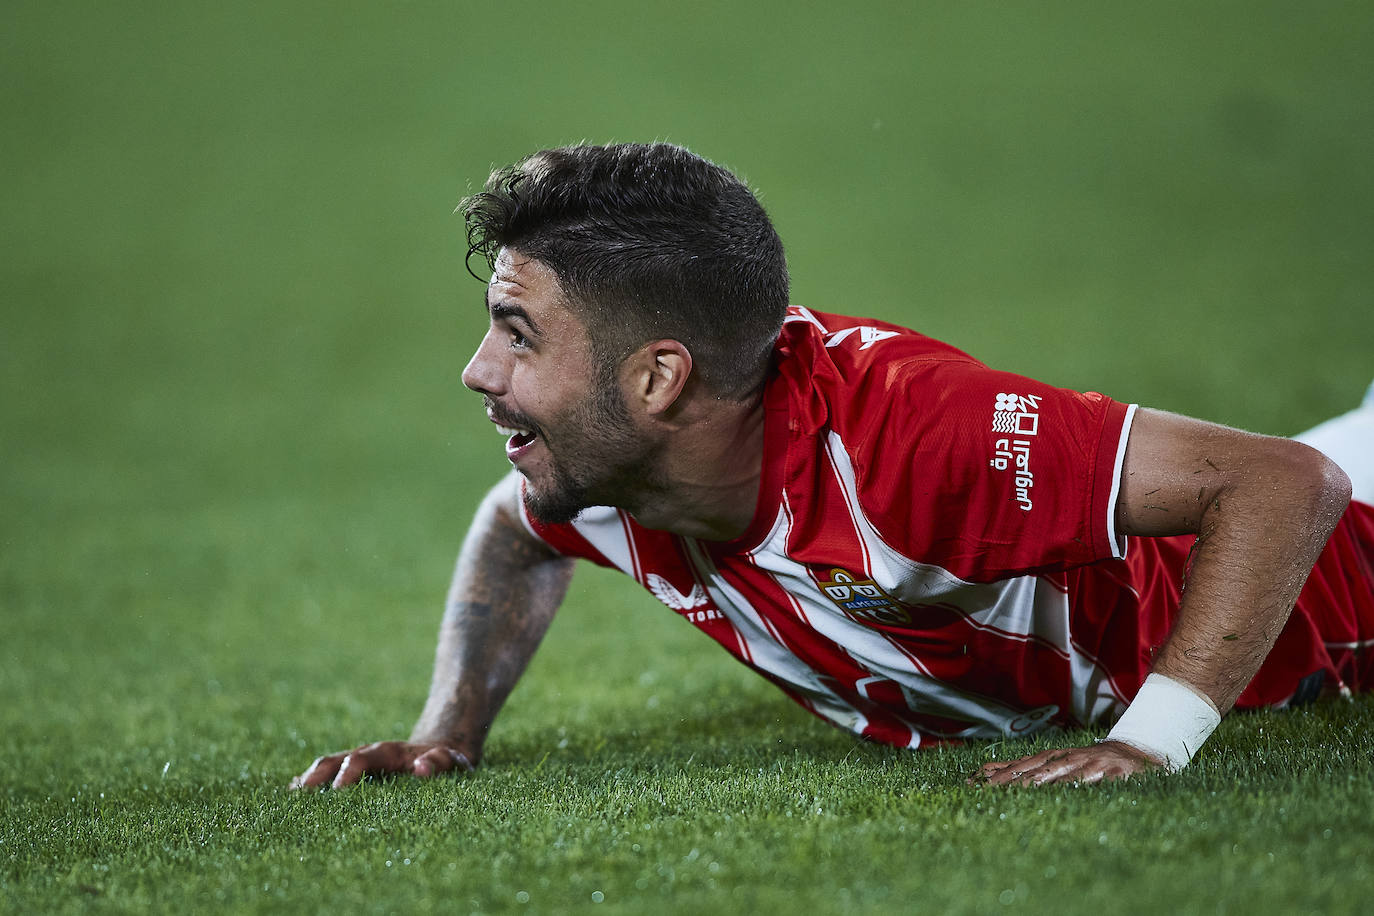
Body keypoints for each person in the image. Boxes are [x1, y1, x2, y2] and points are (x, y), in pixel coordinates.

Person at [291, 143, 1374, 791]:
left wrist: (1150, 743)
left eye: (518, 333)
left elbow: (1285, 487)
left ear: (660, 381)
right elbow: (514, 530)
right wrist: (447, 738)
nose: (477, 370)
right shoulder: (617, 471)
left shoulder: (914, 441)